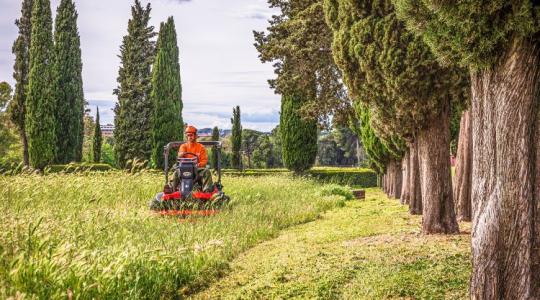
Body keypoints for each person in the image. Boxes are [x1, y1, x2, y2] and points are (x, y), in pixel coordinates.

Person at [169, 125, 214, 192]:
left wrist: (197, 165)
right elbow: (180, 156)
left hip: (197, 170)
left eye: (191, 135)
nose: (190, 137)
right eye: (188, 135)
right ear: (186, 136)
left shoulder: (201, 147)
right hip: (184, 169)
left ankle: (207, 191)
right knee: (176, 173)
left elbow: (204, 161)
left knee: (207, 172)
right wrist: (181, 155)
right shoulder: (183, 146)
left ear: (195, 136)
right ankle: (171, 190)